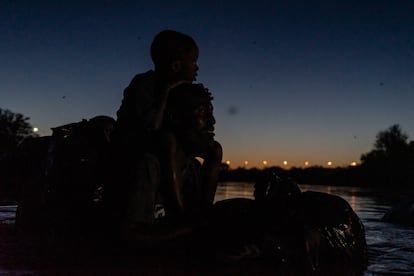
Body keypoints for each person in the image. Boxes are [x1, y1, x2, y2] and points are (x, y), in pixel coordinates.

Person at [108, 30, 222, 245]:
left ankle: (202, 209)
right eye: (194, 61)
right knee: (167, 140)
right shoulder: (147, 84)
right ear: (176, 65)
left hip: (165, 141)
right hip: (134, 144)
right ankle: (180, 214)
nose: (197, 67)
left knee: (214, 150)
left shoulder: (181, 89)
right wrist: (167, 90)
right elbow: (151, 129)